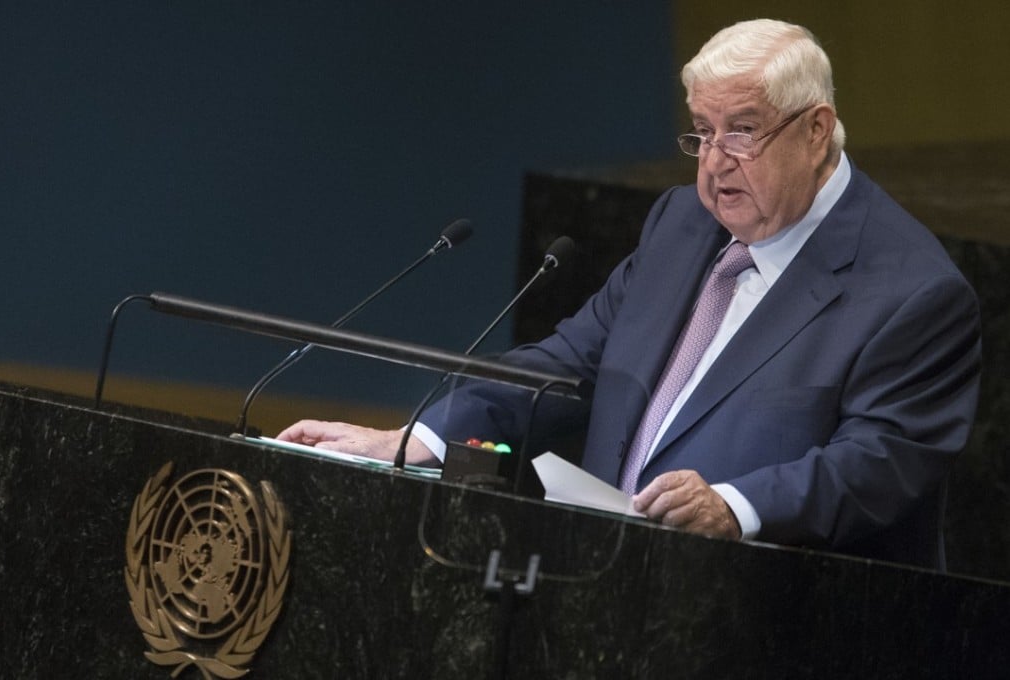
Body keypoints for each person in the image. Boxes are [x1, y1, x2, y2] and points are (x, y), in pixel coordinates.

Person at [278, 19, 981, 569]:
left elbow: (880, 464)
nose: (714, 164)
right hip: (609, 587)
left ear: (816, 129)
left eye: (741, 131)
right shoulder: (682, 223)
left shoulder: (912, 292)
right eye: (701, 133)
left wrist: (735, 507)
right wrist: (414, 440)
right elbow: (570, 363)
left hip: (779, 621)